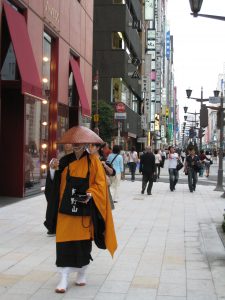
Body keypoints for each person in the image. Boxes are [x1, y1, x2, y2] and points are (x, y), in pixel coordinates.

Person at [44, 126, 117, 293]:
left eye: (80, 143)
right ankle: (63, 277)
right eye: (74, 143)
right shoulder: (63, 161)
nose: (76, 145)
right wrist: (52, 170)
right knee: (63, 243)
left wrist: (90, 194)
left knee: (83, 244)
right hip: (65, 210)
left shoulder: (94, 162)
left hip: (84, 210)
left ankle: (81, 273)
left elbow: (99, 183)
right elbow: (54, 186)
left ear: (86, 143)